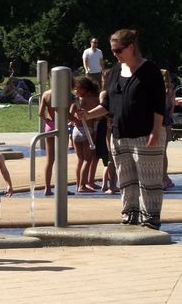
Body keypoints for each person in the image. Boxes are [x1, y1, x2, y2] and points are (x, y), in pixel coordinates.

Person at [78, 29, 166, 230]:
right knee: (126, 179)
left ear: (132, 47)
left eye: (118, 50)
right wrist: (88, 114)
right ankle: (130, 214)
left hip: (145, 135)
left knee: (148, 180)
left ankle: (151, 218)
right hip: (119, 134)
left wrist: (155, 132)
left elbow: (158, 106)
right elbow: (108, 104)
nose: (115, 54)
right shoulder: (116, 71)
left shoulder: (150, 70)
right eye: (112, 50)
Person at [70, 76, 99, 193]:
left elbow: (70, 114)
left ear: (85, 89)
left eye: (77, 88)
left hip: (76, 131)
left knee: (80, 160)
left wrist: (75, 120)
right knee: (87, 159)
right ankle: (82, 185)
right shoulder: (94, 100)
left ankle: (79, 184)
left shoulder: (77, 101)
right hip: (87, 131)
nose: (75, 90)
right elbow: (98, 116)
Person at [161, 69, 175, 190]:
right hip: (166, 121)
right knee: (163, 152)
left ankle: (163, 178)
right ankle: (164, 177)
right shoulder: (170, 91)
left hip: (158, 119)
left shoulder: (156, 89)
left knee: (158, 152)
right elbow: (171, 109)